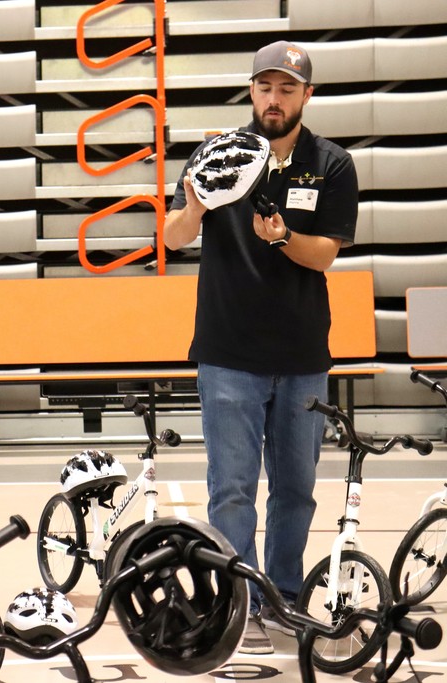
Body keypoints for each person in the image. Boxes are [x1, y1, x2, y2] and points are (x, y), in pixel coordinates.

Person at [163, 41, 359, 654]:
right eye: (265, 88)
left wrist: (281, 239)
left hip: (302, 357)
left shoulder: (331, 164)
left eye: (288, 89)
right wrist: (193, 207)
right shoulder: (215, 155)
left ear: (306, 95)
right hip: (228, 353)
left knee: (297, 487)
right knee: (232, 488)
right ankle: (238, 604)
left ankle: (285, 596)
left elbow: (324, 252)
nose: (275, 100)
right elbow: (170, 235)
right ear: (252, 91)